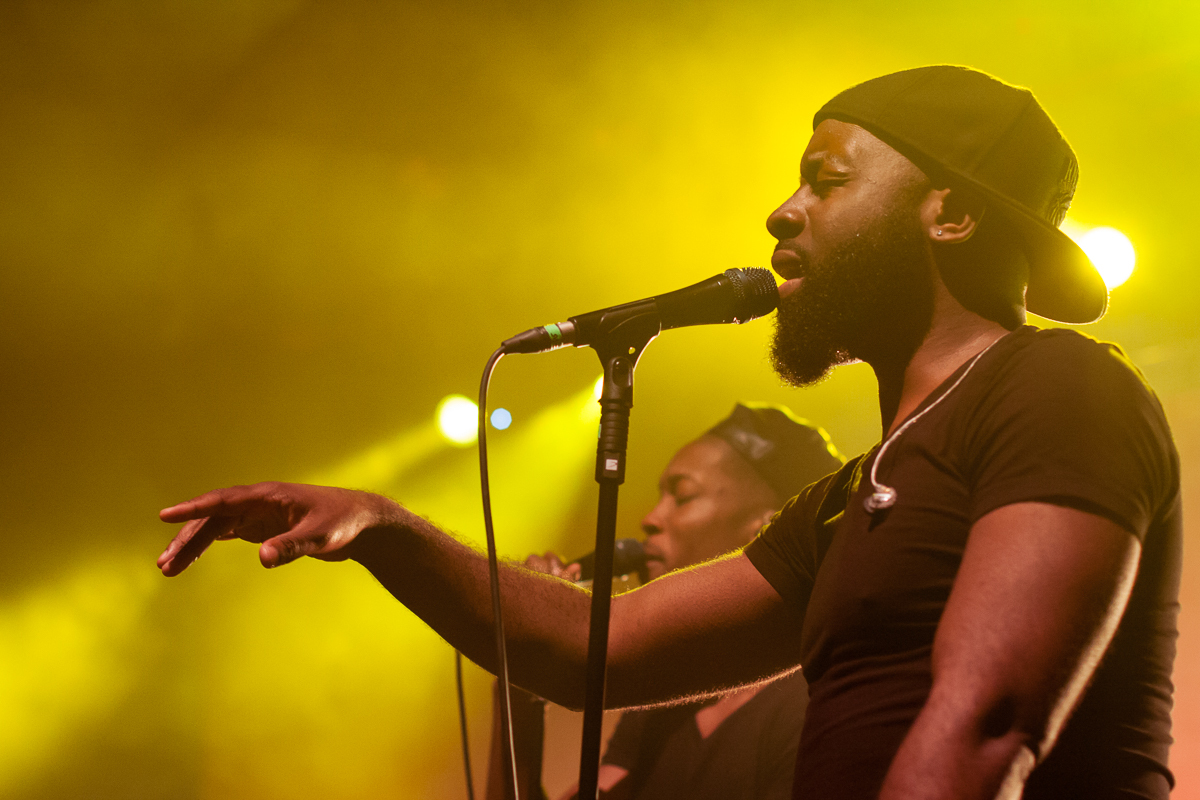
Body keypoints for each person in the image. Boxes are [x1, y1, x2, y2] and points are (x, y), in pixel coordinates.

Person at [157, 65, 1180, 799]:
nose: (782, 212)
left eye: (827, 179)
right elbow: (601, 647)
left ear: (950, 214)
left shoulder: (1056, 385)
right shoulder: (856, 491)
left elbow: (987, 725)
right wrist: (386, 527)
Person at [484, 404, 843, 800]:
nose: (651, 519)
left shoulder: (820, 701)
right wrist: (520, 673)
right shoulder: (668, 696)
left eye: (683, 496)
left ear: (770, 525)